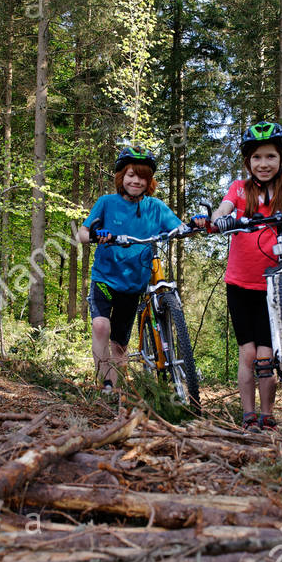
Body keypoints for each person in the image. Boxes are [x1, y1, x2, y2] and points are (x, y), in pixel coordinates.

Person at [196, 122, 282, 430]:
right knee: (247, 353)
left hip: (272, 287)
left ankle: (268, 414)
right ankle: (249, 416)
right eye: (257, 157)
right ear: (248, 161)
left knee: (265, 356)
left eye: (270, 156)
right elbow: (224, 208)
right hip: (239, 284)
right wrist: (216, 220)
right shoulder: (239, 189)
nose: (263, 163)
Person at [76, 146, 183, 394]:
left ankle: (117, 389)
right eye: (131, 175)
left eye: (142, 176)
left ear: (149, 181)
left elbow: (178, 227)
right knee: (101, 326)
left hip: (134, 283)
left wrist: (195, 225)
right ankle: (105, 384)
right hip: (105, 277)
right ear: (121, 177)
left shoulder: (155, 207)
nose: (136, 181)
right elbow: (82, 233)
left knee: (120, 344)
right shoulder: (106, 203)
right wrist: (94, 235)